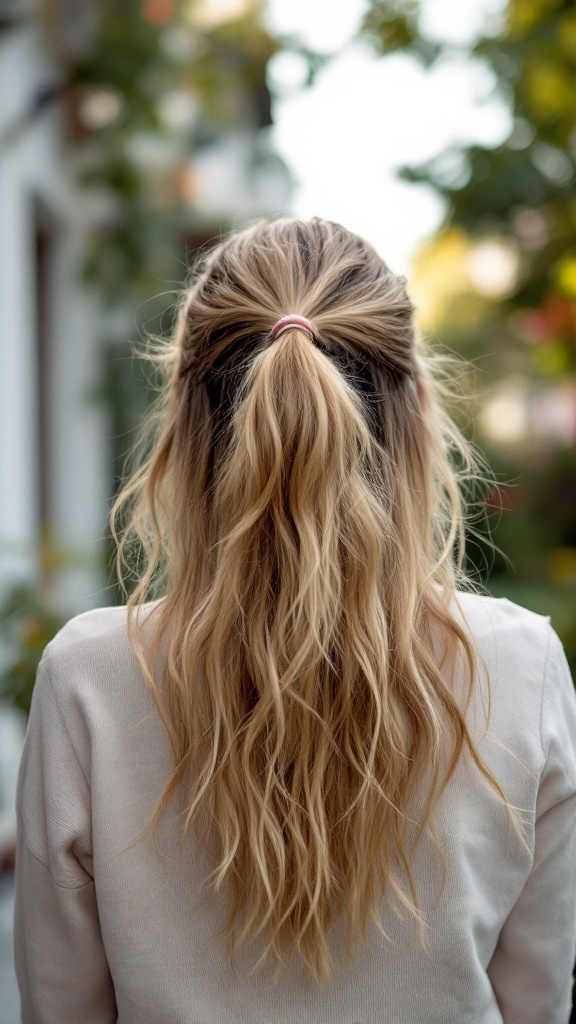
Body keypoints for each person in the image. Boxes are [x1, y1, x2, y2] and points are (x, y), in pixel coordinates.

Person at [14, 217, 576, 1024]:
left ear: (184, 424)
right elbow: (537, 1002)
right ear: (418, 412)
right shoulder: (522, 666)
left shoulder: (90, 678)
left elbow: (61, 1008)